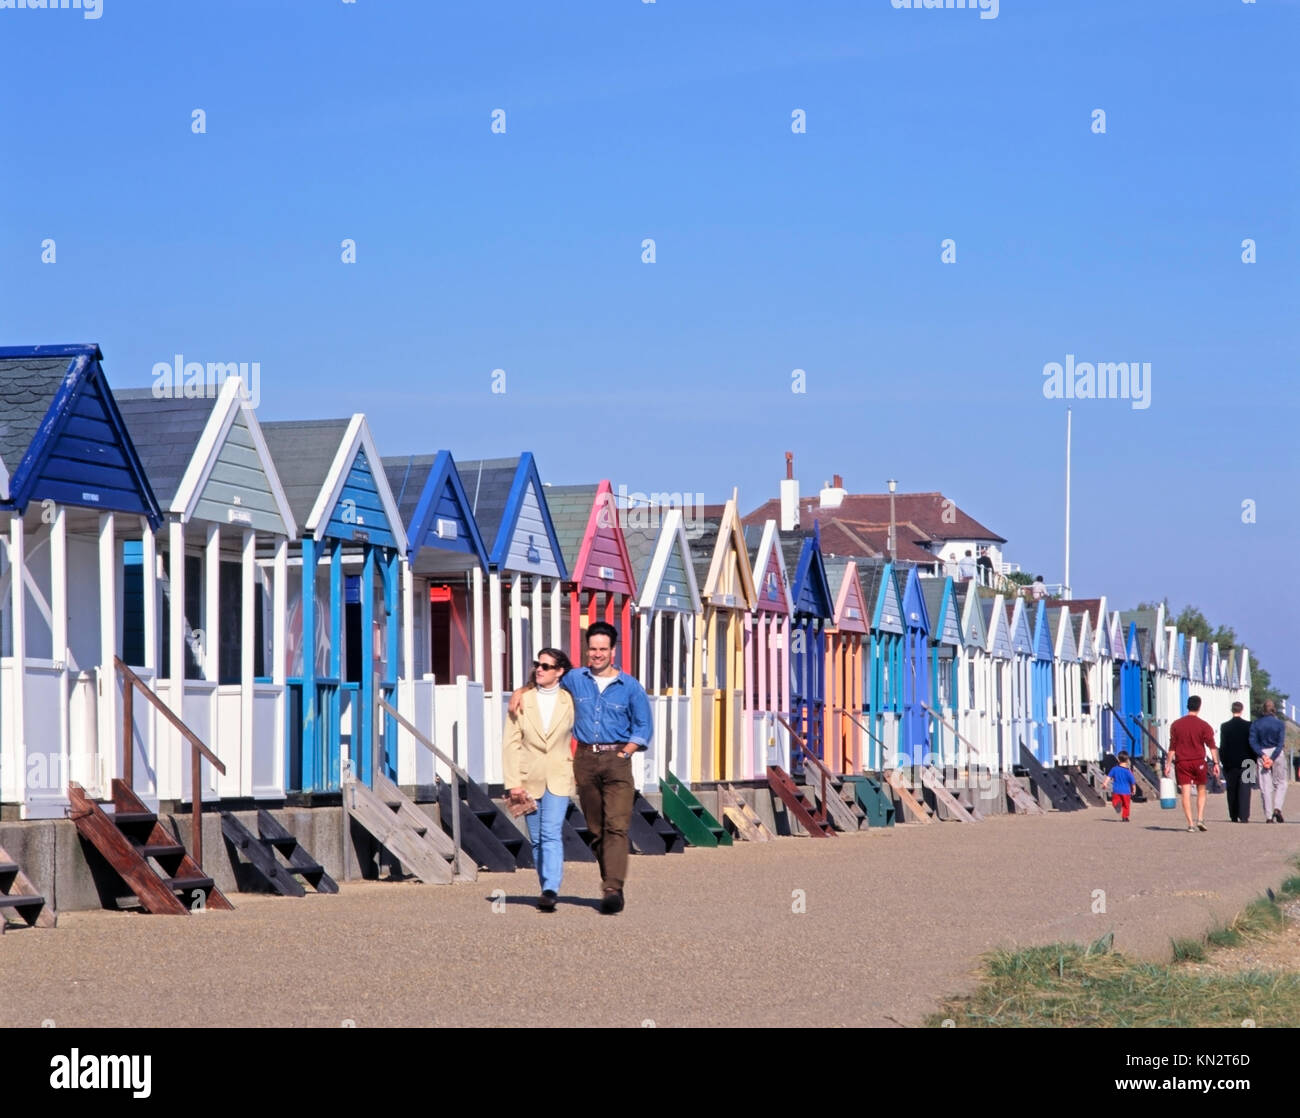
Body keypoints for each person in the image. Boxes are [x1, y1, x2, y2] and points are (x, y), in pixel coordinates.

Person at [509, 621, 652, 914]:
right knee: (596, 829)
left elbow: (643, 725)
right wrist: (520, 690)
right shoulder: (575, 679)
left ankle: (612, 888)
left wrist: (625, 754)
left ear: (613, 651)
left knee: (617, 826)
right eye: (592, 649)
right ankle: (609, 877)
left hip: (617, 761)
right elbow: (545, 677)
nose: (597, 654)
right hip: (585, 760)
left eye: (603, 649)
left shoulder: (631, 687)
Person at [502, 648, 575, 912]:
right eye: (537, 665)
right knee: (537, 839)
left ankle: (551, 889)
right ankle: (545, 884)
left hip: (559, 775)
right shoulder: (522, 700)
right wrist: (513, 783)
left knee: (551, 833)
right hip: (527, 778)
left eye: (546, 666)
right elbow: (510, 744)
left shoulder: (570, 700)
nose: (540, 669)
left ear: (560, 672)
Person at [1165, 695, 1220, 832]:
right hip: (1199, 761)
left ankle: (1190, 823)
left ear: (1187, 706)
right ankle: (1200, 818)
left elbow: (1172, 746)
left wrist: (1167, 764)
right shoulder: (1204, 725)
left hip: (1182, 762)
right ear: (1199, 707)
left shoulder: (1176, 725)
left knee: (1185, 792)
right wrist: (1216, 763)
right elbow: (1211, 746)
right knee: (1201, 789)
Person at [1250, 699, 1287, 824]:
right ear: (1274, 709)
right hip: (1277, 753)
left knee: (1265, 786)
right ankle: (1277, 807)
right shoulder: (1280, 724)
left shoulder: (1256, 724)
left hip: (1263, 752)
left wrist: (1263, 755)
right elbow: (1281, 743)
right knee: (1281, 782)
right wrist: (1273, 757)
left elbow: (1252, 741)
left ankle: (1269, 816)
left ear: (1263, 710)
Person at [1219, 701, 1253, 824]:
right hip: (1248, 761)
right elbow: (1252, 744)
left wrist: (1223, 760)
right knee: (1245, 789)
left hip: (1230, 762)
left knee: (1232, 789)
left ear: (1231, 710)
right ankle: (1244, 816)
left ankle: (1233, 814)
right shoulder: (1249, 725)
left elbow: (1223, 746)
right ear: (1242, 710)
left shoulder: (1225, 726)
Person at [1105, 750, 1137, 822]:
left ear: (1118, 759)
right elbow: (1133, 782)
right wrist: (1134, 789)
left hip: (1116, 790)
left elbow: (1108, 777)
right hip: (1126, 791)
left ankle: (1116, 804)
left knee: (1115, 800)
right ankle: (1125, 817)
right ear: (1127, 760)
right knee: (1126, 805)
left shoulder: (1114, 769)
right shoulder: (1128, 771)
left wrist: (1105, 783)